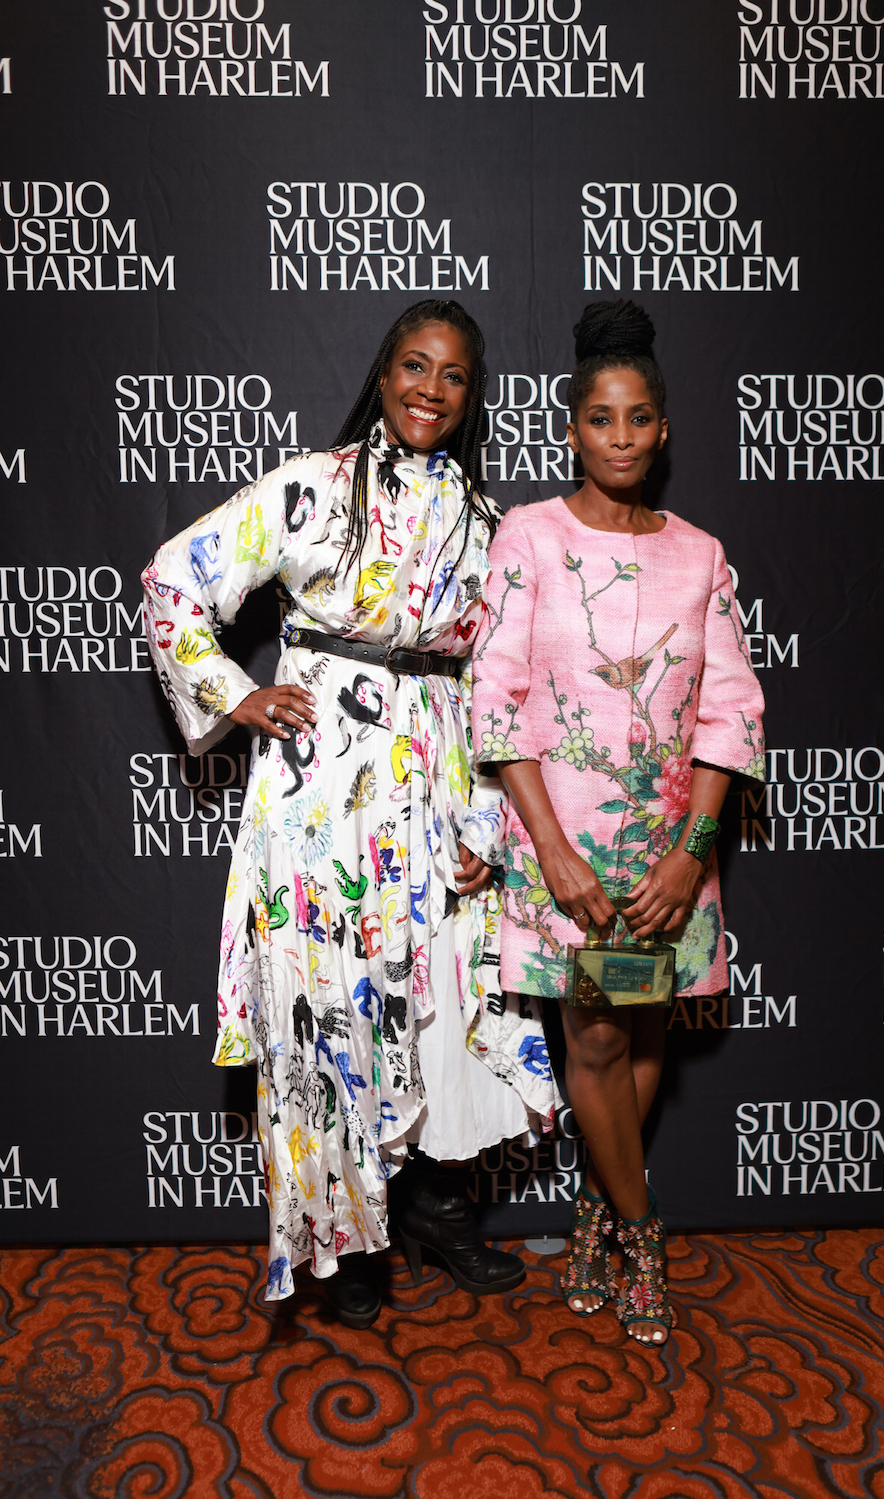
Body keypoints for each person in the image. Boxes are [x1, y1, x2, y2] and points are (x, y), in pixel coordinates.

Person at [142, 299, 556, 1328]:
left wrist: (488, 822)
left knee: (440, 991)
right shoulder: (314, 486)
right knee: (330, 998)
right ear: (382, 374)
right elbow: (174, 577)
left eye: (452, 375)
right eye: (414, 365)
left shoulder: (490, 523)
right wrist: (236, 693)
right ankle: (349, 1233)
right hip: (324, 783)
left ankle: (431, 1207)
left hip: (442, 773)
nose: (429, 388)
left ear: (471, 396)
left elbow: (502, 684)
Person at [472, 301, 765, 1345]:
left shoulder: (700, 555)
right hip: (569, 851)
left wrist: (691, 857)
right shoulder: (530, 536)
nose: (622, 437)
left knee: (643, 1033)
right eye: (601, 419)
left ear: (664, 427)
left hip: (668, 855)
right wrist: (552, 851)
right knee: (595, 1035)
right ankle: (644, 1234)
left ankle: (595, 1214)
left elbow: (732, 711)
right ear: (572, 431)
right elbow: (496, 700)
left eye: (639, 417)